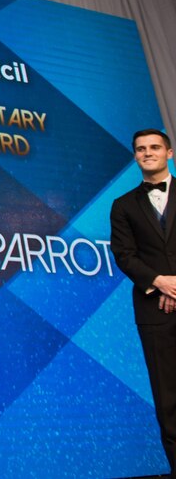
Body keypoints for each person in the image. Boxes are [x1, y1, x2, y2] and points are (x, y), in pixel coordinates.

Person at [110, 128, 176, 477]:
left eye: (154, 147)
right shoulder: (122, 205)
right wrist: (160, 282)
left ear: (169, 152)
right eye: (140, 149)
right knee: (169, 400)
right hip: (154, 312)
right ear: (135, 156)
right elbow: (124, 255)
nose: (147, 153)